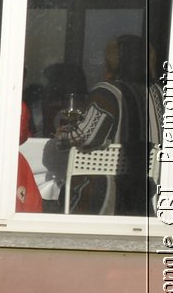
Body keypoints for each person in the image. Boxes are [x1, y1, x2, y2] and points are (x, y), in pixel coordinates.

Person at [61, 33, 161, 216]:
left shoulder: (107, 92)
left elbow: (85, 136)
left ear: (113, 61)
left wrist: (62, 135)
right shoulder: (159, 95)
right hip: (145, 195)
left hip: (102, 195)